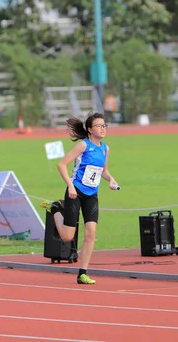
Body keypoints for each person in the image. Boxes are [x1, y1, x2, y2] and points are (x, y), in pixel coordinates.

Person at [48, 113, 118, 285]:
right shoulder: (83, 146)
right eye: (99, 126)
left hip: (92, 195)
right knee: (67, 236)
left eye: (104, 126)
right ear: (89, 129)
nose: (103, 129)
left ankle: (82, 273)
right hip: (76, 191)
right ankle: (56, 209)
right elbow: (61, 164)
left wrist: (111, 180)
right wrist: (70, 186)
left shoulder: (105, 149)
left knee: (91, 233)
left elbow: (104, 171)